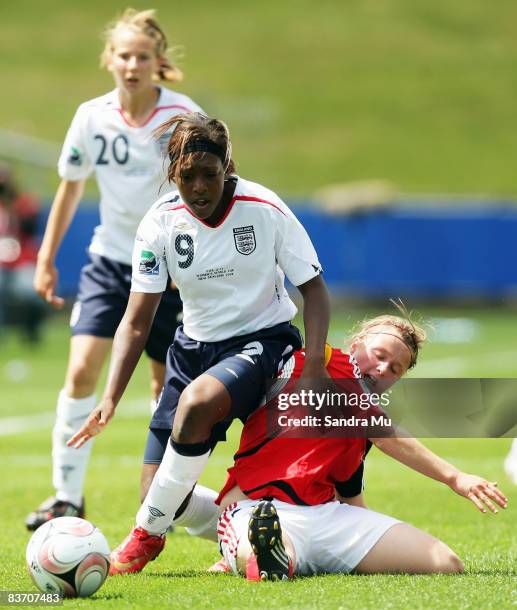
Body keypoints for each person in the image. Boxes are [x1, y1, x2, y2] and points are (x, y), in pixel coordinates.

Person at [68, 111, 330, 575]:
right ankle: (260, 534)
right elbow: (136, 319)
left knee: (195, 405)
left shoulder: (264, 208)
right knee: (162, 498)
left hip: (261, 343)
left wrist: (312, 369)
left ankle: (143, 539)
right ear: (173, 175)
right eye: (187, 177)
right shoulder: (159, 222)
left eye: (209, 175)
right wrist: (110, 397)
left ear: (227, 167)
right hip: (192, 350)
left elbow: (314, 290)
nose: (199, 188)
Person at [25, 9, 204, 530]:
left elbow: (204, 191)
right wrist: (46, 257)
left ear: (158, 63)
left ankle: (162, 502)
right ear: (109, 60)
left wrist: (187, 256)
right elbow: (70, 186)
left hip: (169, 267)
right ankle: (65, 497)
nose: (132, 64)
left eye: (142, 56)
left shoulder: (183, 117)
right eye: (123, 55)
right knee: (81, 370)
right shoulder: (91, 116)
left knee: (162, 388)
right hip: (109, 261)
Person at [212, 313, 508, 580]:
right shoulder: (327, 362)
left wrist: (365, 530)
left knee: (446, 562)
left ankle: (266, 556)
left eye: (395, 369)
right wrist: (455, 477)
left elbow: (351, 496)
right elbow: (384, 433)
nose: (382, 370)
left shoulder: (359, 428)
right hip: (261, 508)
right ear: (355, 345)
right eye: (378, 355)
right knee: (274, 555)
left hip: (324, 517)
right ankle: (254, 554)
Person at [0, 164, 47, 343]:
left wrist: (10, 204)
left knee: (34, 291)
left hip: (22, 260)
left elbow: (30, 228)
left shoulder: (22, 202)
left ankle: (31, 332)